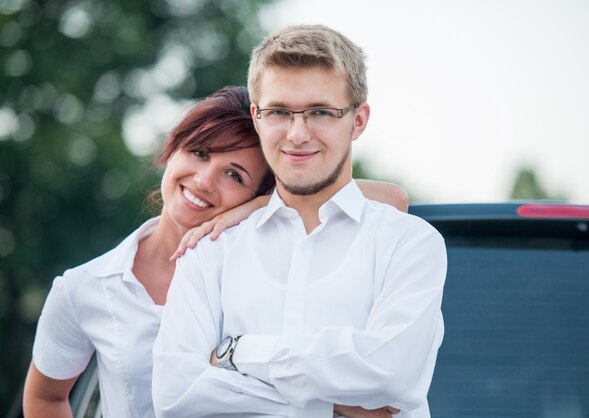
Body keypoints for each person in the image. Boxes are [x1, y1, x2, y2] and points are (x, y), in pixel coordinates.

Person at [22, 85, 408, 418]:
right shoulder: (86, 287)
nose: (204, 181)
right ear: (173, 149)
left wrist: (256, 207)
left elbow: (394, 199)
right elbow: (46, 396)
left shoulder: (272, 269)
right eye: (199, 153)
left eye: (235, 175)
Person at [152, 25, 447, 418]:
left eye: (320, 112)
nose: (297, 134)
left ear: (358, 120)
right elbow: (176, 397)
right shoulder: (209, 250)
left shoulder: (410, 243)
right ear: (257, 117)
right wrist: (332, 407)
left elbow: (388, 377)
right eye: (279, 112)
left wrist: (237, 352)